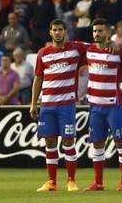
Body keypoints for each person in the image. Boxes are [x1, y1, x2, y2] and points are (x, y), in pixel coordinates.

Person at [29, 19, 84, 192]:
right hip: (47, 105)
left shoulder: (76, 49)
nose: (58, 32)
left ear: (66, 31)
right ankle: (51, 182)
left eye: (61, 29)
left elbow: (97, 48)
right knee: (50, 142)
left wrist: (110, 43)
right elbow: (38, 78)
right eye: (55, 30)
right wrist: (33, 104)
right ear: (50, 32)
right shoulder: (43, 53)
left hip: (66, 104)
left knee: (68, 141)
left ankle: (71, 180)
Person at [83, 21, 122, 190]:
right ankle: (98, 182)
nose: (97, 33)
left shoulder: (118, 52)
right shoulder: (88, 50)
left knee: (120, 142)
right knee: (97, 143)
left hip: (113, 105)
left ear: (108, 32)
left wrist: (117, 80)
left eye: (100, 31)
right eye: (95, 31)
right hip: (95, 105)